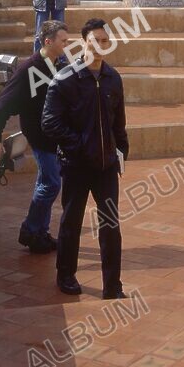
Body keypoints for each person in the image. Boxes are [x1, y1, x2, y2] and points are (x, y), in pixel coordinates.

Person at [41, 18, 129, 299]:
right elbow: (50, 122)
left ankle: (113, 285)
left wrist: (121, 150)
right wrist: (78, 145)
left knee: (110, 226)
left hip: (105, 166)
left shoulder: (113, 78)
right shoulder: (65, 79)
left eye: (105, 41)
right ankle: (66, 276)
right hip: (76, 165)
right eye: (95, 41)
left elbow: (118, 122)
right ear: (84, 43)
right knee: (71, 222)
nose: (100, 46)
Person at [0, 20, 70, 253]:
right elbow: (3, 103)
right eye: (63, 41)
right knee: (52, 183)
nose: (67, 44)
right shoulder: (29, 70)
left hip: (55, 135)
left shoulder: (59, 63)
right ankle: (30, 230)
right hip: (41, 136)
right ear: (48, 41)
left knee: (45, 182)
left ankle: (39, 233)